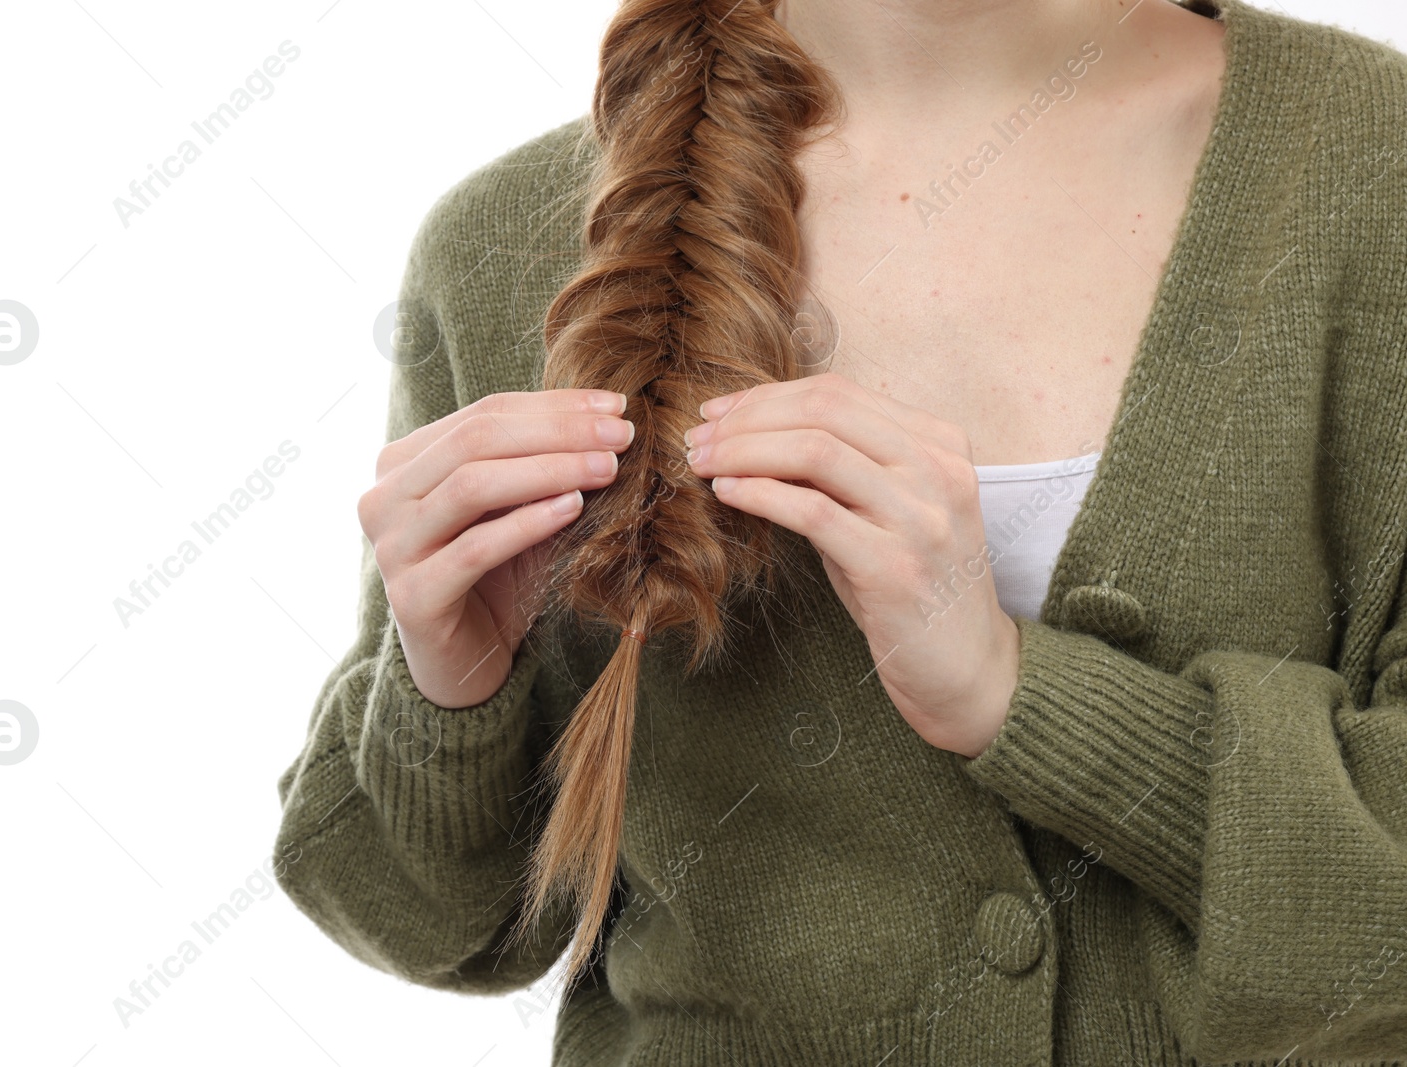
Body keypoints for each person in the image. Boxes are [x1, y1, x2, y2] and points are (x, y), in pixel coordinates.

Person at [274, 0, 1407, 1062]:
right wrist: (450, 698)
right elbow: (427, 920)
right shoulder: (510, 250)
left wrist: (1019, 698)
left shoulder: (1376, 170)